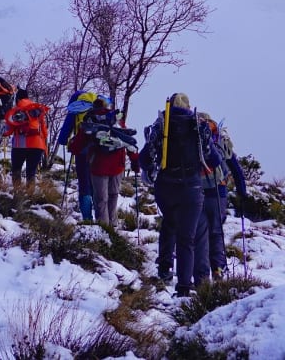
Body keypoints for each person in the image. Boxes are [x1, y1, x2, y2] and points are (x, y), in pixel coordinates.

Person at [140, 92, 221, 297]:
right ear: (188, 106)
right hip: (191, 188)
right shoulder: (197, 126)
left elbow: (145, 158)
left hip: (165, 187)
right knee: (187, 238)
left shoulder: (161, 125)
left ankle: (164, 267)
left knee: (169, 223)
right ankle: (184, 287)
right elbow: (215, 160)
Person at [193, 114, 247, 285]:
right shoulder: (220, 141)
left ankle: (201, 278)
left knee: (200, 235)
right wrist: (242, 193)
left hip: (197, 192)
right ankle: (218, 268)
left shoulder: (193, 139)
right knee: (216, 232)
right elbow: (236, 169)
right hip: (219, 193)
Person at [69, 97, 139, 227]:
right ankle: (113, 226)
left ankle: (104, 230)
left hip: (98, 166)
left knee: (101, 200)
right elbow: (127, 140)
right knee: (113, 195)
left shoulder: (90, 121)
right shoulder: (116, 120)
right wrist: (135, 161)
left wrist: (71, 145)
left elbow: (76, 146)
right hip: (117, 165)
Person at [57, 90, 98, 221]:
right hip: (99, 150)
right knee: (97, 183)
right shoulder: (97, 105)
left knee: (84, 183)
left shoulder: (77, 107)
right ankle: (102, 217)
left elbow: (67, 127)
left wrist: (63, 140)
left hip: (82, 150)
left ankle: (87, 218)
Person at [3, 88, 49, 194]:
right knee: (31, 172)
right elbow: (45, 132)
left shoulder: (16, 110)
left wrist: (5, 132)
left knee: (16, 170)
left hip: (20, 146)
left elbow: (8, 131)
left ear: (17, 98)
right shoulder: (37, 110)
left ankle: (17, 193)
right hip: (37, 146)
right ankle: (30, 195)